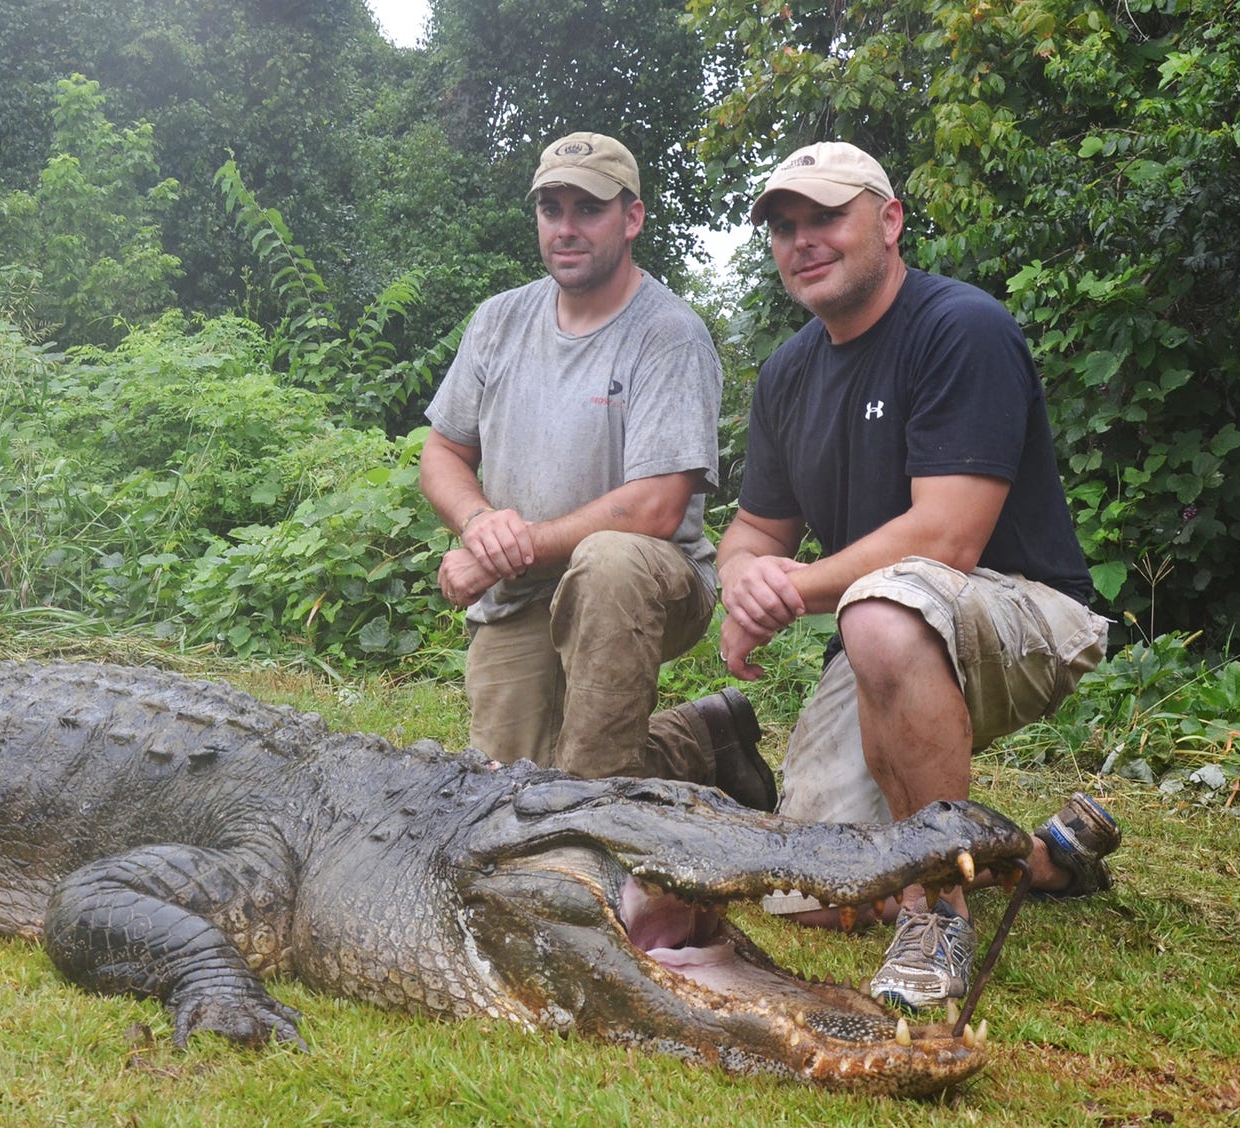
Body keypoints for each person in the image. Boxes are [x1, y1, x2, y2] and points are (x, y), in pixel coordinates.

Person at [720, 141, 1121, 1013]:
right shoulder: (787, 373)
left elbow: (947, 535)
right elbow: (753, 530)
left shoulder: (959, 327)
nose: (802, 240)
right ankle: (1044, 857)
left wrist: (794, 584)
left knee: (876, 612)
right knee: (813, 895)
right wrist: (740, 581)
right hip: (887, 627)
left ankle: (935, 909)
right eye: (784, 227)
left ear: (889, 220)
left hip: (1025, 614)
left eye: (825, 216)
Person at [419, 131, 775, 811]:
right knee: (500, 792)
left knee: (607, 567)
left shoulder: (667, 334)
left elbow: (655, 509)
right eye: (551, 209)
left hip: (645, 582)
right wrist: (476, 524)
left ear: (631, 217)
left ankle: (590, 831)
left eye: (588, 208)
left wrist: (502, 553)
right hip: (522, 592)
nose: (566, 228)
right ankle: (701, 738)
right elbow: (442, 453)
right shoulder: (499, 320)